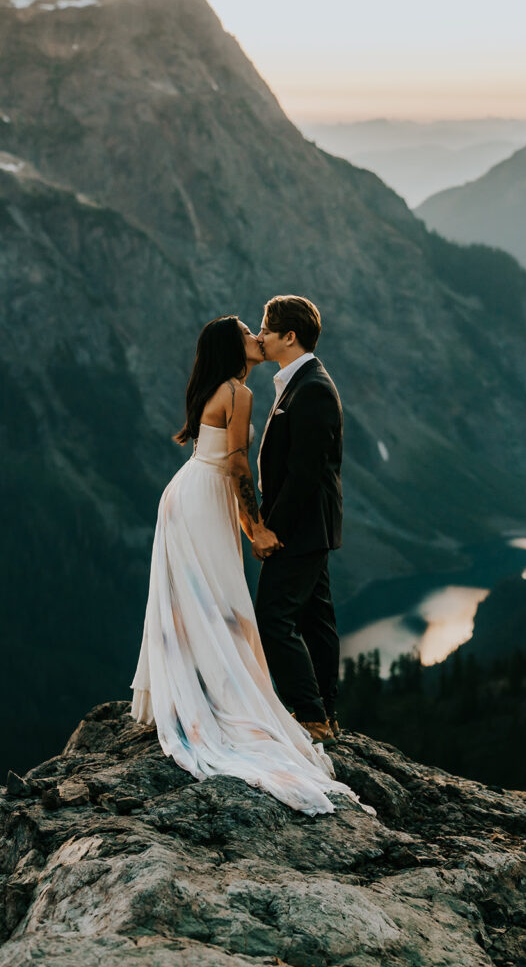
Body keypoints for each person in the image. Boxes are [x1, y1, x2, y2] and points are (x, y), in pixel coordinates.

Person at [128, 314, 376, 817]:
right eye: (248, 332)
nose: (256, 337)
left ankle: (196, 690)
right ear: (233, 348)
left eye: (260, 329)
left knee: (193, 597)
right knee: (219, 597)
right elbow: (239, 463)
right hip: (206, 498)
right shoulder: (238, 393)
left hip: (187, 493)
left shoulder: (218, 388)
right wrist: (255, 525)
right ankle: (235, 700)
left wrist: (249, 518)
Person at [255, 295, 343, 748]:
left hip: (301, 527)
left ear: (289, 336)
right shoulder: (301, 381)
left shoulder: (312, 388)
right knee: (316, 619)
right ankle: (324, 711)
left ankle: (310, 715)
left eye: (266, 329)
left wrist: (273, 528)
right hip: (310, 526)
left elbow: (307, 472)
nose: (260, 336)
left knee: (272, 616)